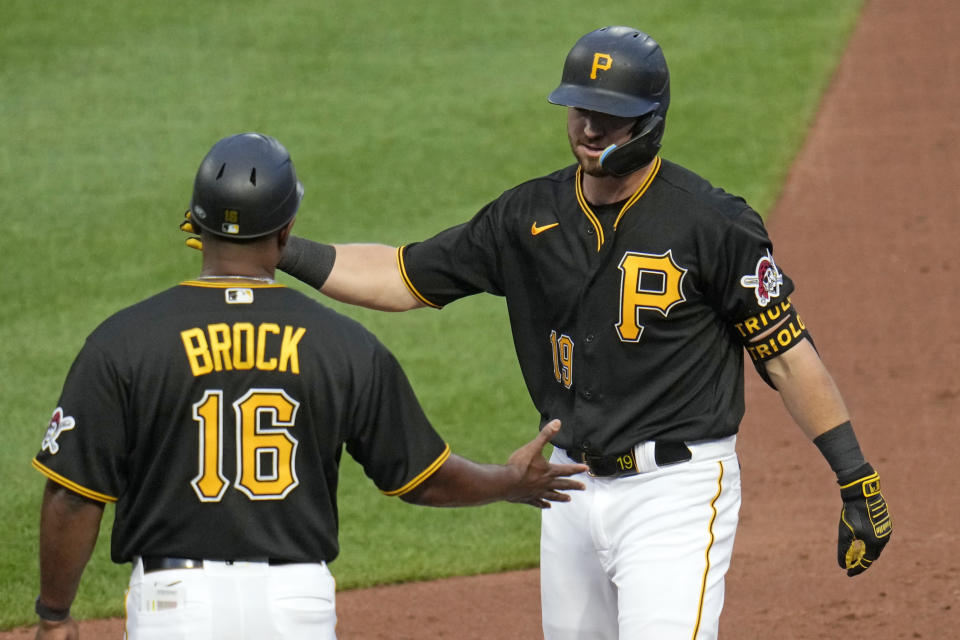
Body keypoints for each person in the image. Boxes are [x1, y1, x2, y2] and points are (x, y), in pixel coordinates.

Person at [184, 27, 894, 639]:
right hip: (569, 490)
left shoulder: (712, 223)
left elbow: (785, 354)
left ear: (650, 119)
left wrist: (853, 472)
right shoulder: (528, 216)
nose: (590, 128)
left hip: (676, 492)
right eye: (581, 110)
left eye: (610, 116)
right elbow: (402, 277)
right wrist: (279, 252)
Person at [32, 132, 589, 640]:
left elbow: (72, 493)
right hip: (294, 603)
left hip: (175, 604)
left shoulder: (124, 341)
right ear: (286, 229)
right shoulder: (343, 344)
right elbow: (422, 478)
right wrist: (509, 481)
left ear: (195, 225)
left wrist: (54, 615)